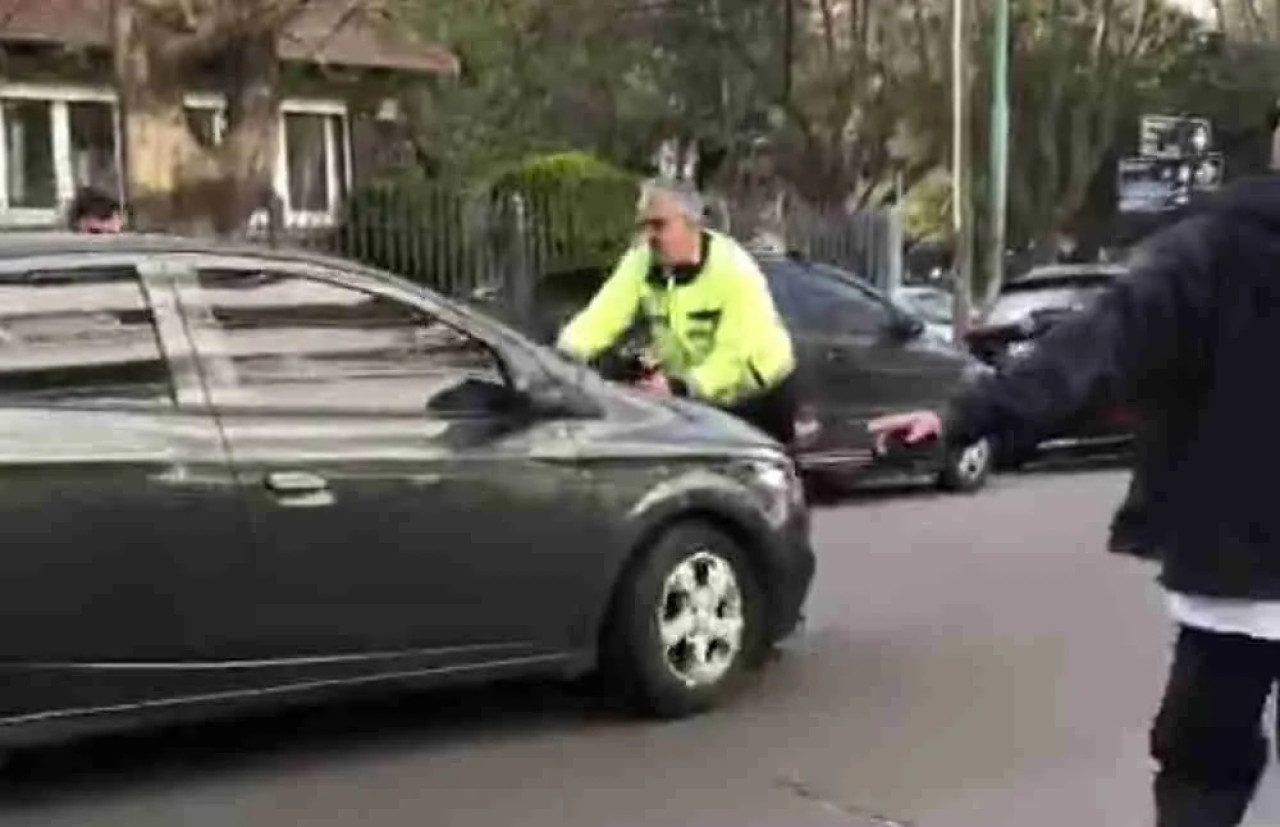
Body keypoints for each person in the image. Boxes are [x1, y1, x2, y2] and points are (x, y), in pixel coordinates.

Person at [868, 174, 1280, 827]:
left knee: (1203, 762)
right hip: (1240, 566)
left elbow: (1091, 352)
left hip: (1239, 565)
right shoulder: (1210, 250)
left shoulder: (1210, 250)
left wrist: (965, 416)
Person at [555, 178, 798, 445]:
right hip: (695, 394)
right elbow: (600, 317)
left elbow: (734, 355)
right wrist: (558, 359)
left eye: (659, 225)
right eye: (645, 226)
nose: (650, 237)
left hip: (757, 396)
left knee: (764, 479)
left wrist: (678, 386)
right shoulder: (641, 261)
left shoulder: (734, 270)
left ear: (691, 223)